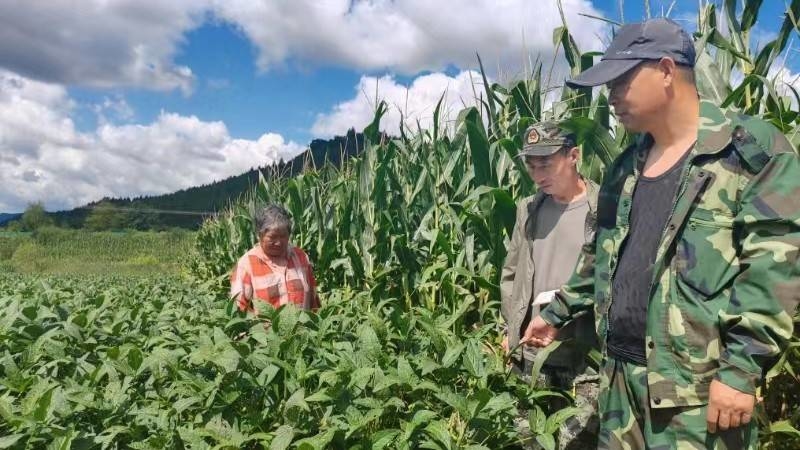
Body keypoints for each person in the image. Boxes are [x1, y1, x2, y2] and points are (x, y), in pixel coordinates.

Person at [524, 18, 800, 450]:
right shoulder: (622, 169)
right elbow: (599, 259)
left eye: (621, 80)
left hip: (697, 395)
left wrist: (741, 370)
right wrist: (555, 314)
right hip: (619, 384)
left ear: (667, 71)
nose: (610, 96)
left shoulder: (748, 152)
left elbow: (773, 268)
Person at [501, 121, 600, 449]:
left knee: (580, 442)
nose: (537, 174)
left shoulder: (604, 208)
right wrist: (508, 329)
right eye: (531, 165)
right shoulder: (528, 209)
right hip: (533, 352)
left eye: (545, 163)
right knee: (530, 440)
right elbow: (512, 274)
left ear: (573, 156)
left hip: (585, 357)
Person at [230, 204, 320, 313]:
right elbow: (239, 308)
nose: (278, 242)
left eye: (283, 236)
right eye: (272, 237)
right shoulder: (246, 264)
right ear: (260, 235)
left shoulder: (300, 257)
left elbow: (313, 299)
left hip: (303, 329)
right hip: (266, 330)